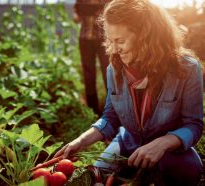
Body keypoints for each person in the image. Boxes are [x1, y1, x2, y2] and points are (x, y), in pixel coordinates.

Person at [54, 0, 203, 185]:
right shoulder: (114, 69)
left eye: (120, 41)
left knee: (190, 171)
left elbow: (193, 125)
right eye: (110, 40)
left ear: (145, 36)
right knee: (97, 175)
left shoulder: (186, 69)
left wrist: (163, 143)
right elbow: (110, 116)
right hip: (127, 143)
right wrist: (81, 141)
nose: (114, 49)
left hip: (168, 151)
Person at [74, 0, 110, 116]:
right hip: (85, 39)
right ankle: (92, 109)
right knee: (88, 74)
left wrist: (100, 11)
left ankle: (112, 107)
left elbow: (112, 14)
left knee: (108, 71)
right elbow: (77, 17)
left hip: (103, 38)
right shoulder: (81, 1)